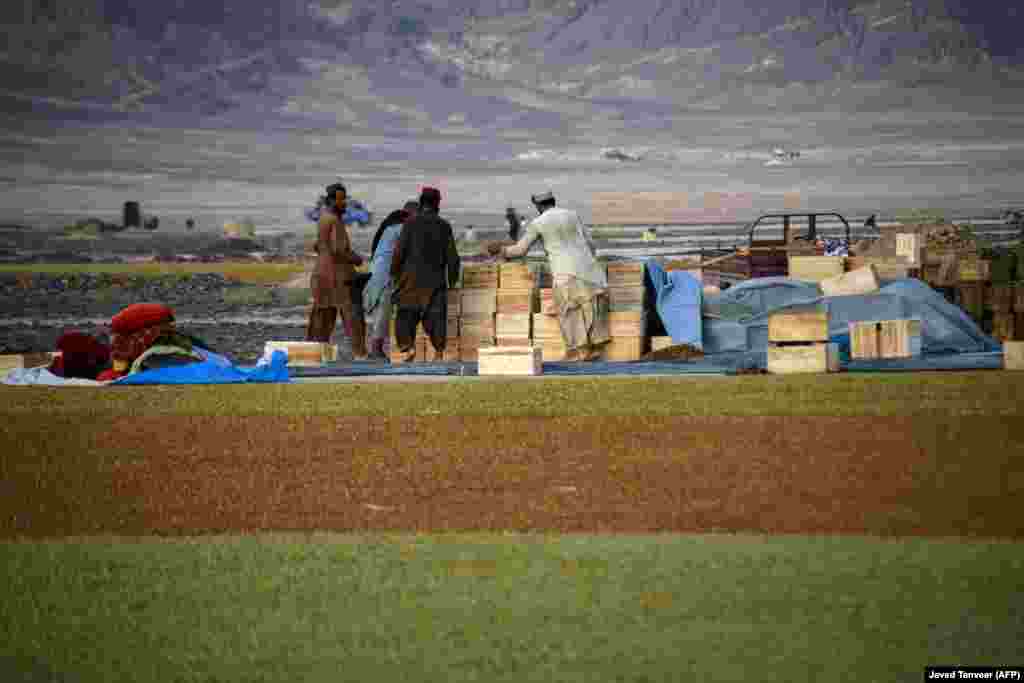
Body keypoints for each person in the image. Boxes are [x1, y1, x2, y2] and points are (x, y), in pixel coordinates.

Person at [487, 190, 610, 361]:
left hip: (565, 272)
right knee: (592, 309)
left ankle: (577, 353)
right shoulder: (572, 215)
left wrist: (500, 250)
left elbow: (520, 250)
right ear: (553, 201)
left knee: (569, 311)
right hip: (591, 271)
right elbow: (591, 244)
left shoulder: (538, 222)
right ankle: (596, 351)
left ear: (538, 205)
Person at [390, 187, 460, 362]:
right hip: (435, 283)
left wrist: (395, 275)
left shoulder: (410, 223)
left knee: (406, 317)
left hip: (410, 281)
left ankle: (408, 349)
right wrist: (452, 281)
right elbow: (453, 258)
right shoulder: (443, 226)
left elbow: (399, 252)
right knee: (436, 319)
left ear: (421, 203)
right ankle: (438, 354)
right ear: (437, 204)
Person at [306, 182, 368, 359]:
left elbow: (318, 246)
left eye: (345, 199)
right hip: (337, 278)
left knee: (322, 318)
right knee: (352, 316)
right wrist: (357, 259)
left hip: (321, 276)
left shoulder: (323, 219)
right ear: (332, 201)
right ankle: (360, 355)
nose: (344, 203)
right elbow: (339, 250)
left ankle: (313, 354)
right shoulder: (334, 220)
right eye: (341, 200)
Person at [364, 200, 419, 359]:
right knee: (383, 311)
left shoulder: (390, 227)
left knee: (382, 312)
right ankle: (376, 349)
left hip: (378, 272)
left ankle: (377, 349)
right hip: (385, 274)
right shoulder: (402, 229)